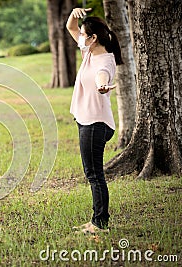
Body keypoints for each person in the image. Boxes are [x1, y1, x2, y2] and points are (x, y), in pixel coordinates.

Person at [66, 8, 123, 234]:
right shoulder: (88, 50)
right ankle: (97, 220)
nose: (80, 37)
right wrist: (73, 14)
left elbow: (103, 76)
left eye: (83, 34)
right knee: (92, 173)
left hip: (96, 124)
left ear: (93, 38)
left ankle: (100, 223)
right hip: (86, 120)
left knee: (94, 175)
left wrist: (102, 86)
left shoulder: (105, 61)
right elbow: (70, 27)